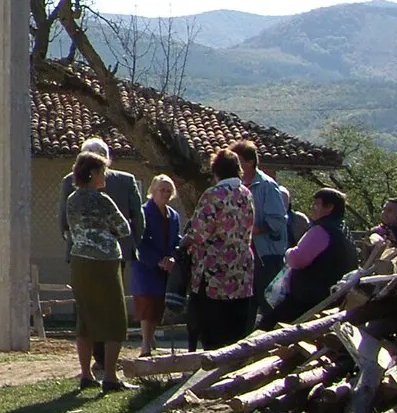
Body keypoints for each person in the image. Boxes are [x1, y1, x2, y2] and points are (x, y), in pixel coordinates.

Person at [64, 151, 134, 391]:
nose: (105, 176)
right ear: (93, 174)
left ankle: (86, 374)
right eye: (103, 172)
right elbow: (123, 228)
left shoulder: (71, 199)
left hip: (80, 261)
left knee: (86, 317)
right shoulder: (102, 200)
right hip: (104, 261)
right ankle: (111, 376)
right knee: (114, 318)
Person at [184, 148, 258, 350]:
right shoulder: (247, 194)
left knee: (213, 331)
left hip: (214, 272)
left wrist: (183, 243)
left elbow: (199, 233)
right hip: (241, 270)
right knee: (235, 329)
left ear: (215, 171)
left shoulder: (213, 195)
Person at [274, 188, 358, 323]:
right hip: (329, 294)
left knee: (269, 326)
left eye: (317, 204)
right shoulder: (342, 229)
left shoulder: (321, 231)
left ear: (330, 207)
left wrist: (288, 252)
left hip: (308, 296)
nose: (312, 207)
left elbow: (297, 259)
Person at [61, 136, 144, 265]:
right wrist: (131, 242)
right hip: (115, 251)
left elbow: (64, 221)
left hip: (80, 251)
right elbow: (138, 219)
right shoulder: (125, 181)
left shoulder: (70, 182)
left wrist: (75, 239)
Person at [236, 140, 290, 321]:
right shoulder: (238, 187)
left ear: (250, 162)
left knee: (269, 304)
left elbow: (277, 220)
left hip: (266, 256)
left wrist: (248, 230)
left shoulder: (267, 185)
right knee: (245, 306)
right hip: (244, 257)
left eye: (239, 160)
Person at [130, 174, 181, 357]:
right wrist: (156, 260)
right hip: (146, 266)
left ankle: (150, 340)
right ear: (152, 191)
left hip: (165, 268)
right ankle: (145, 345)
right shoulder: (143, 213)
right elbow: (139, 240)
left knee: (158, 305)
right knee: (147, 305)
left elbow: (177, 240)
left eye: (168, 190)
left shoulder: (173, 216)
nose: (165, 193)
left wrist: (173, 258)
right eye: (162, 190)